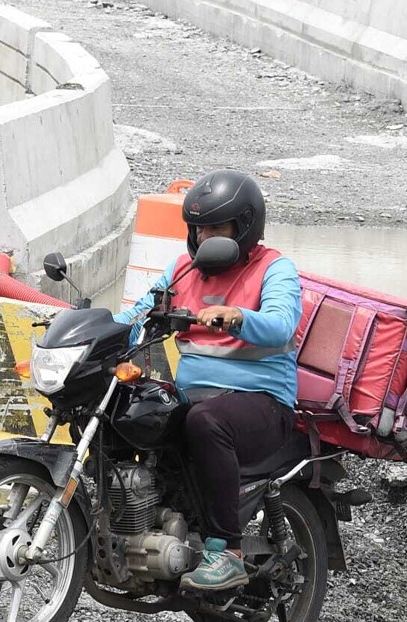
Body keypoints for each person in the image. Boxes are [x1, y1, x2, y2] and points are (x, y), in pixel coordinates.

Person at [114, 169, 302, 592]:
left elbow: (281, 324)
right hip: (196, 395)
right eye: (199, 228)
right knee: (131, 413)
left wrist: (239, 317)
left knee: (205, 421)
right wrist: (96, 329)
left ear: (246, 226)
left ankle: (227, 552)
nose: (206, 237)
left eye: (218, 227)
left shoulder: (275, 269)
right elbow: (139, 314)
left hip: (263, 402)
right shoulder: (183, 270)